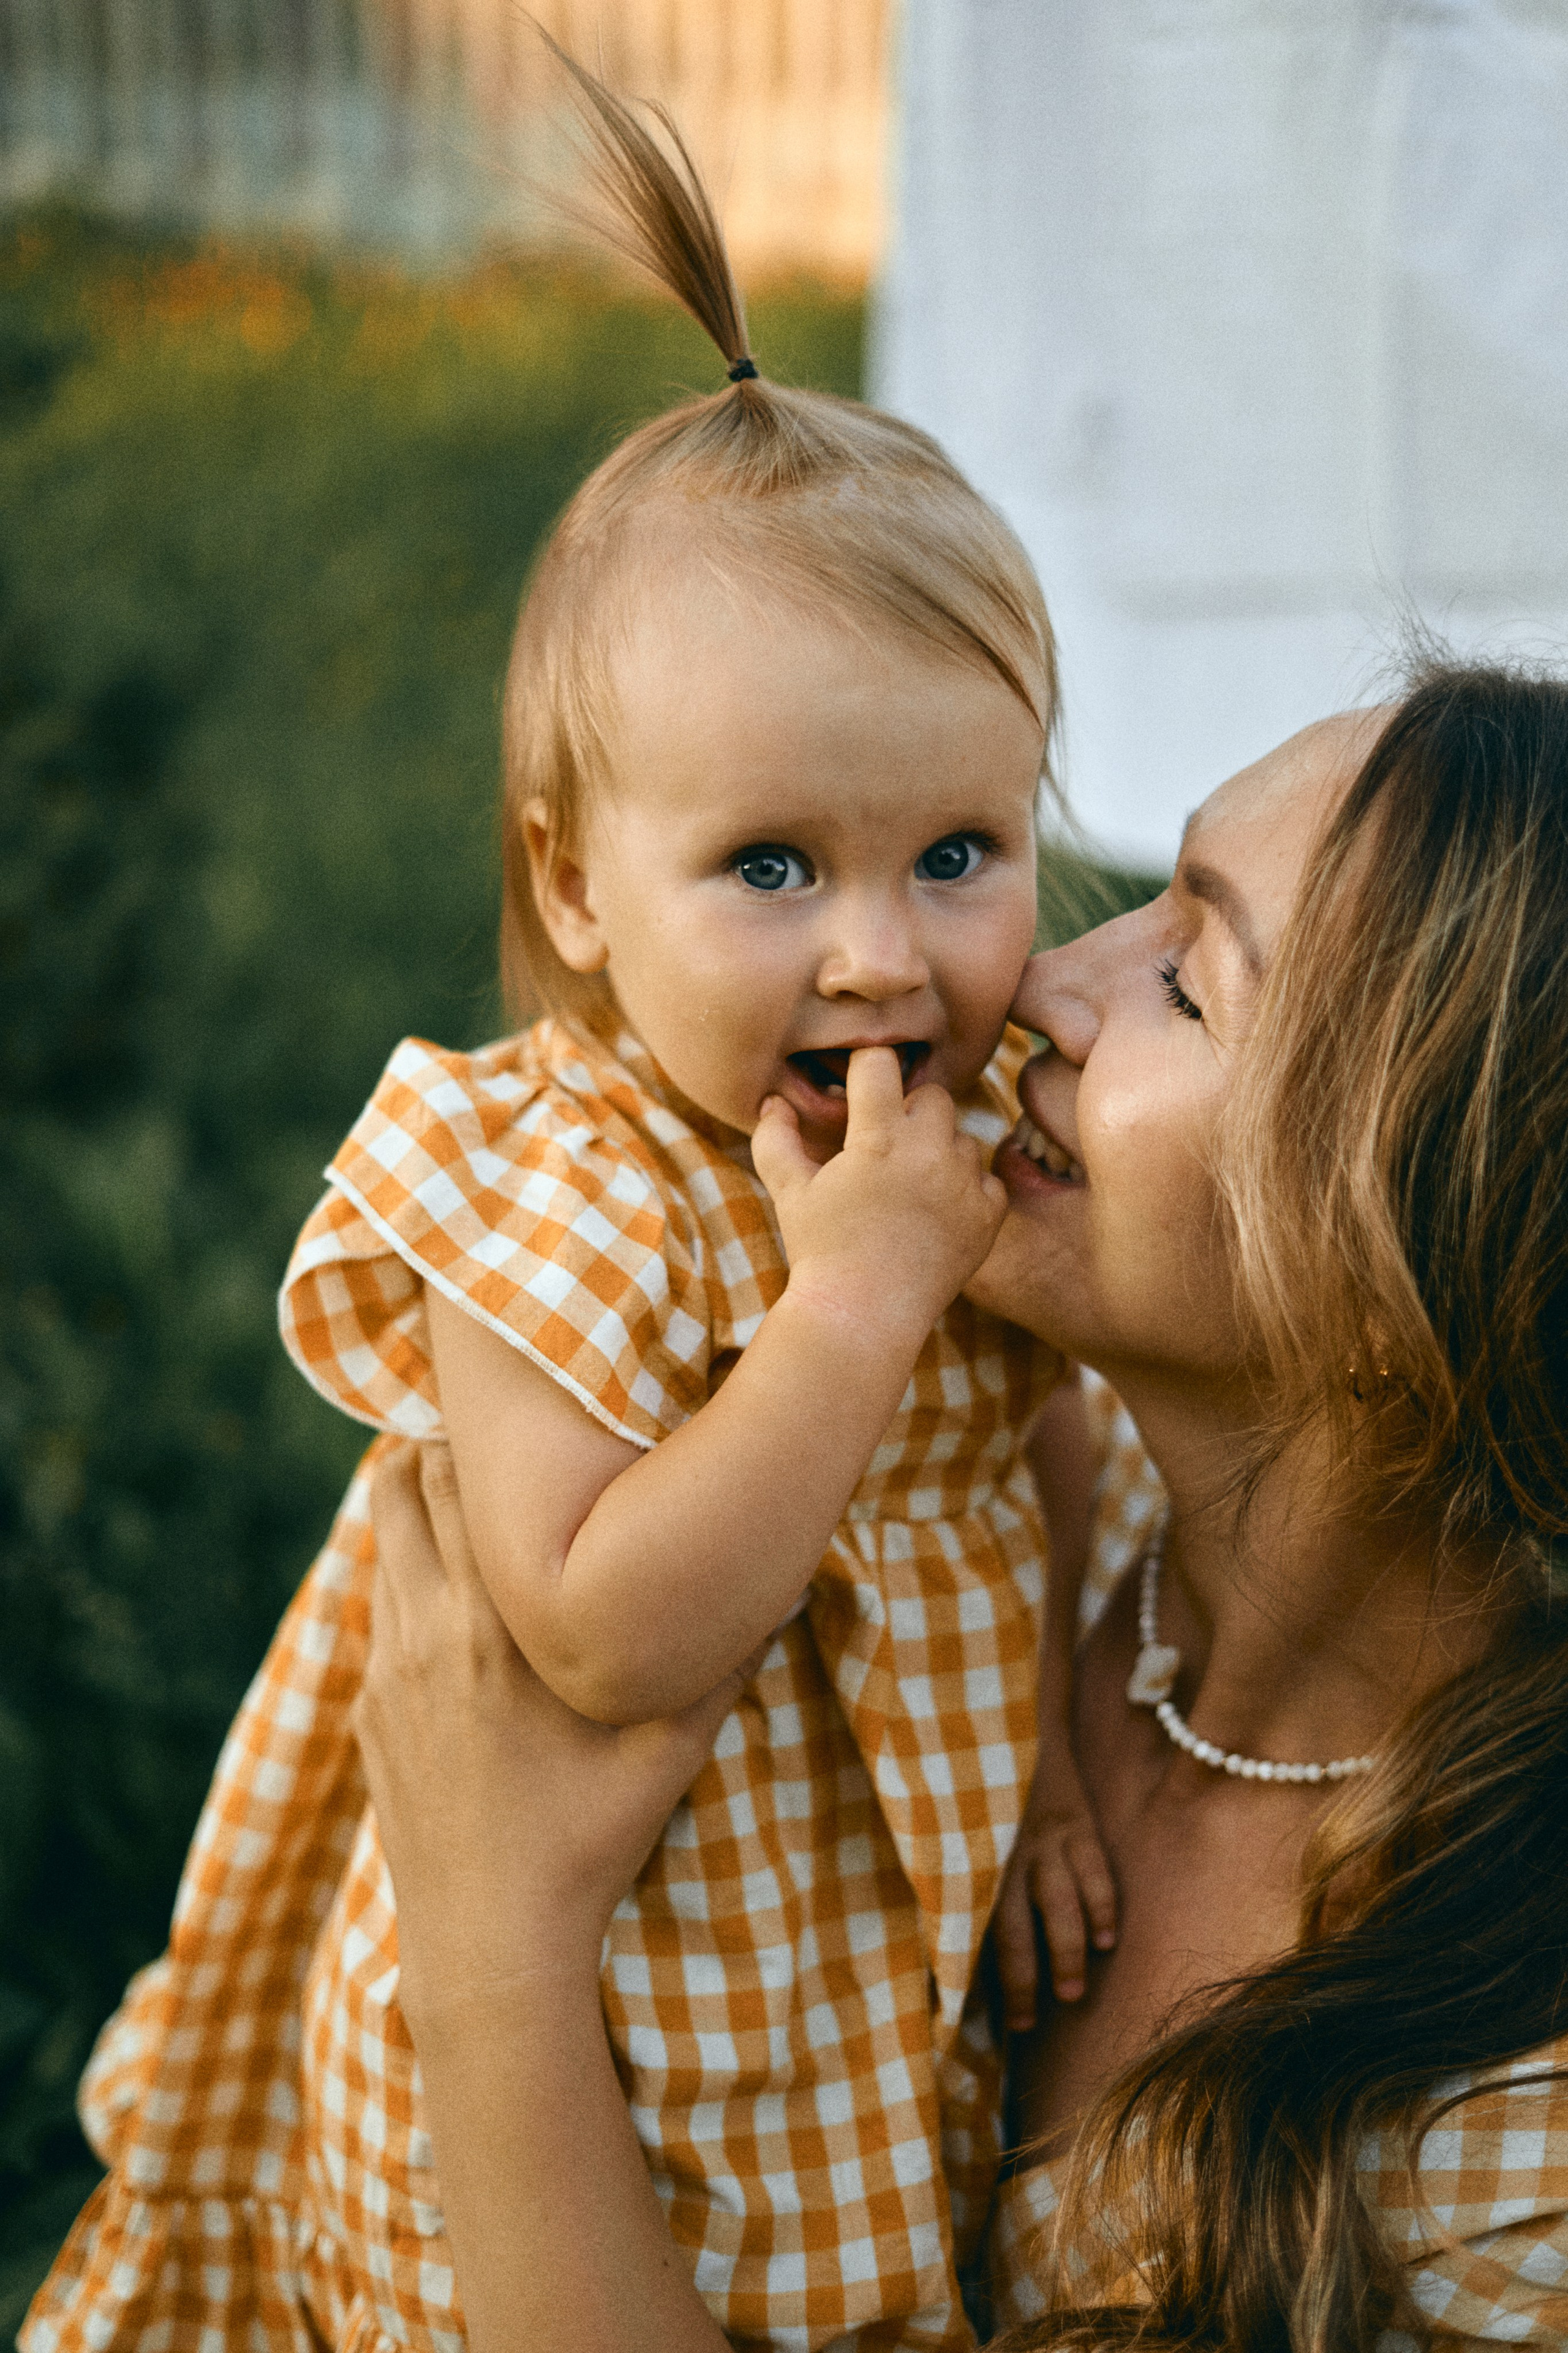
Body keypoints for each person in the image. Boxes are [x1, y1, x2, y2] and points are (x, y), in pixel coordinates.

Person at [21, 48, 1129, 2353]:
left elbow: (1037, 1448)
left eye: (959, 851)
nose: (880, 953)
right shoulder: (564, 1182)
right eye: (772, 867)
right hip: (573, 2044)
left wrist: (1043, 1773)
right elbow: (599, 1629)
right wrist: (848, 1313)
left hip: (843, 2005)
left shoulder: (949, 1139)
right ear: (576, 887)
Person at [345, 665, 1568, 2352]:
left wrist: (496, 1960)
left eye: (1188, 985)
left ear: (1406, 1274)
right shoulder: (928, 1506)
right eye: (1146, 893)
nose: (1042, 983)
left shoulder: (1511, 2143)